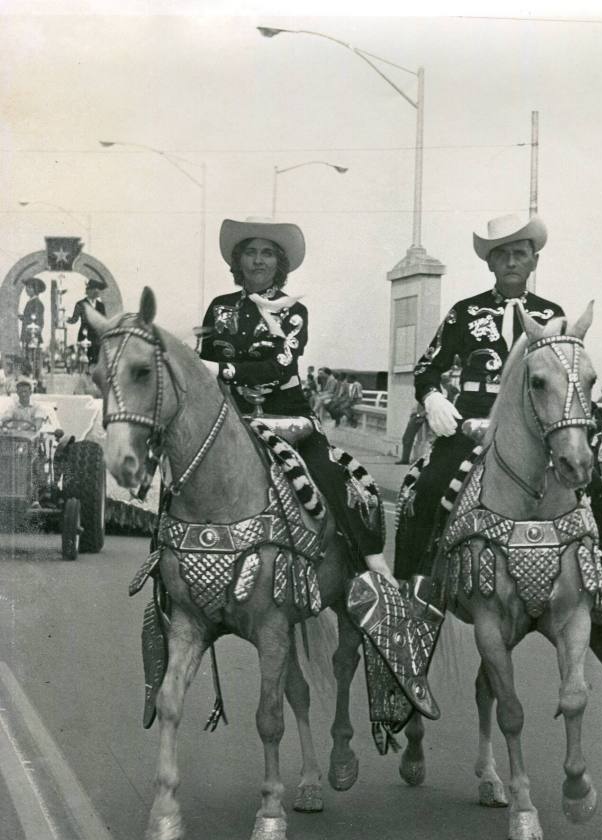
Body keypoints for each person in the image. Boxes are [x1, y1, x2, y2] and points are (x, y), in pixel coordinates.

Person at [199, 217, 395, 584]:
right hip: (232, 417)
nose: (258, 261)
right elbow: (201, 363)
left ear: (279, 264)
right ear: (239, 261)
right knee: (184, 471)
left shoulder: (294, 311)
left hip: (288, 416)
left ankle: (369, 567)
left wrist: (223, 370)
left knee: (331, 479)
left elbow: (278, 365)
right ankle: (165, 564)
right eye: (251, 253)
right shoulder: (219, 308)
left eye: (267, 254)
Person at [394, 213, 566, 580]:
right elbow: (428, 367)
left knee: (589, 490)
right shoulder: (465, 312)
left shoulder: (553, 316)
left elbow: (563, 377)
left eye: (520, 253)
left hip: (534, 426)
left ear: (534, 259)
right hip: (471, 419)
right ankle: (412, 587)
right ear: (490, 262)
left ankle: (601, 589)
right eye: (502, 255)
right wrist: (432, 399)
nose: (512, 262)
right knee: (426, 489)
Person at [68, 279, 107, 367]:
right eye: (95, 290)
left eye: (97, 290)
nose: (97, 293)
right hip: (84, 334)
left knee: (96, 359)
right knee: (84, 360)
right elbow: (74, 320)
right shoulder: (80, 304)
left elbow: (104, 320)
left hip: (97, 336)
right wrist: (64, 319)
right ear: (88, 291)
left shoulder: (101, 305)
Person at [18, 278, 46, 374]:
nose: (26, 289)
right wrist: (22, 317)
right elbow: (30, 318)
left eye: (29, 287)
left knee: (32, 362)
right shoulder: (30, 302)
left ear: (35, 289)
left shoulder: (37, 303)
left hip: (32, 338)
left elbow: (39, 322)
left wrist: (35, 336)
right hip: (27, 337)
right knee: (27, 361)